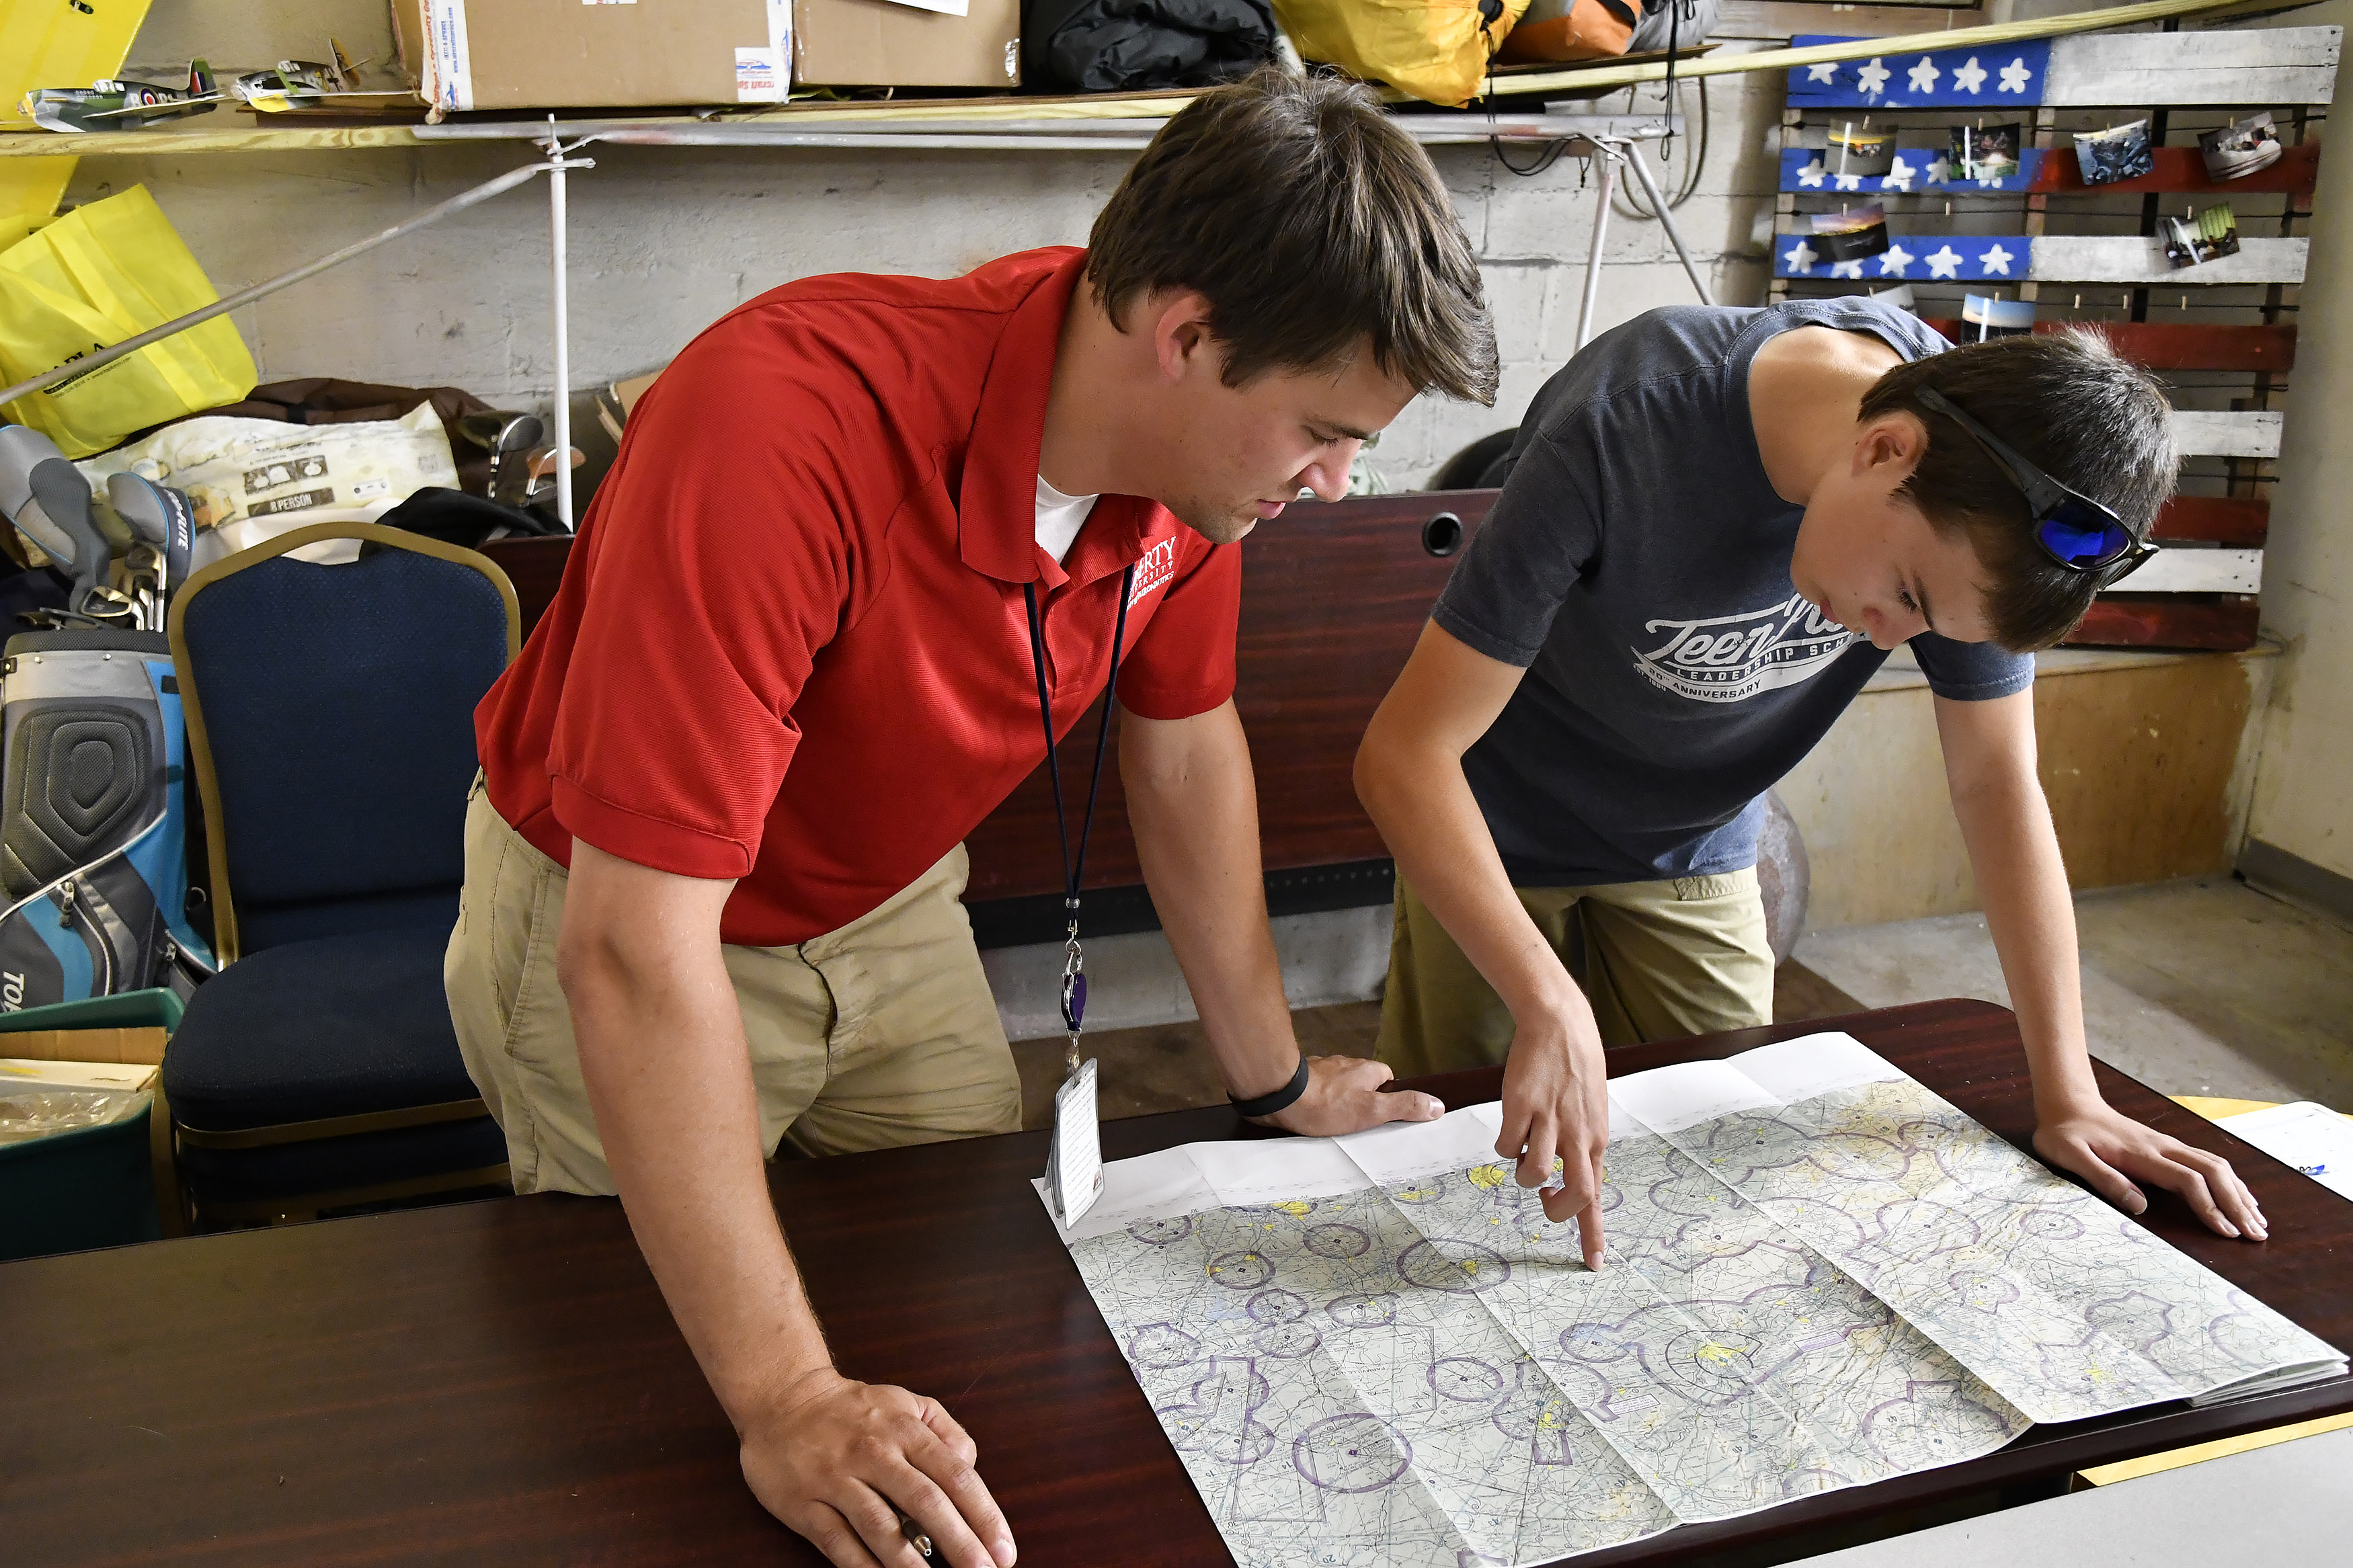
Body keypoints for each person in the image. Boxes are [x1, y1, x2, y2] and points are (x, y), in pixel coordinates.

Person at [444, 69, 1494, 1568]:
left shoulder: (1193, 482)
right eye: (1322, 431)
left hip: (884, 907)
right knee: (679, 1405)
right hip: (617, 918)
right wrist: (787, 1395)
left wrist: (1268, 1088)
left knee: (979, 1311)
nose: (1336, 486)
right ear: (1184, 335)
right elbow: (630, 949)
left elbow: (1186, 749)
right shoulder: (784, 424)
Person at [1354, 300, 2268, 1276]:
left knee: (1717, 1174)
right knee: (1460, 1167)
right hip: (1493, 829)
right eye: (1907, 598)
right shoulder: (1629, 419)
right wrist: (1549, 997)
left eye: (1921, 628)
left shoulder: (1994, 496)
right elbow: (1406, 756)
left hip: (1698, 836)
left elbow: (1998, 781)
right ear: (1884, 448)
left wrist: (2070, 1091)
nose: (1881, 636)